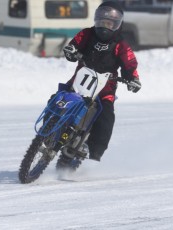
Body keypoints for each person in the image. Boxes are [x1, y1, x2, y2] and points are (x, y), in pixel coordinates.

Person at [61, 1, 141, 162]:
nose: (105, 27)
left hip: (106, 86)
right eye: (102, 22)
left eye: (110, 24)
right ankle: (49, 128)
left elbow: (130, 64)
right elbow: (74, 45)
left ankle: (94, 150)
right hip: (80, 78)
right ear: (96, 20)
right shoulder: (86, 34)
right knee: (59, 98)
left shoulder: (121, 45)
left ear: (117, 25)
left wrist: (133, 78)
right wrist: (71, 50)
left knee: (106, 115)